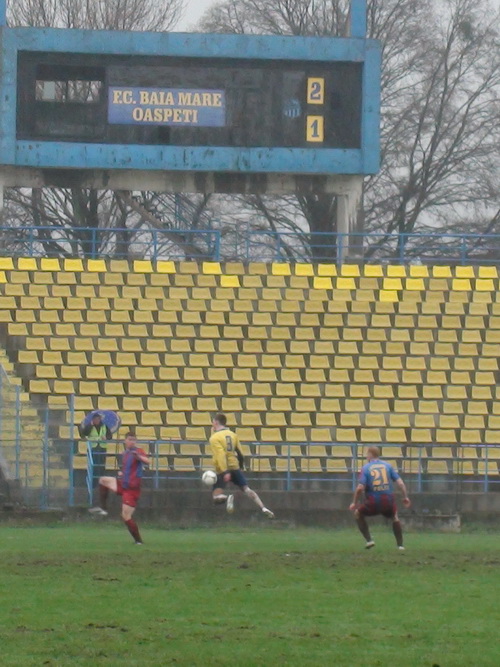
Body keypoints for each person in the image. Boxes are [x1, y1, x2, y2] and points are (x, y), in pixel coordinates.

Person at [209, 413, 274, 519]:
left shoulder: (214, 438)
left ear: (216, 422)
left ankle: (227, 498)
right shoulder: (233, 435)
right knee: (247, 489)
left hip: (223, 469)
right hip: (235, 467)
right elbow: (240, 453)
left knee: (216, 497)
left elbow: (220, 455)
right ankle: (263, 507)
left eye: (213, 422)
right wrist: (240, 466)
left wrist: (225, 472)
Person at [88, 432, 149, 545]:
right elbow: (127, 468)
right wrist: (121, 473)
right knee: (103, 480)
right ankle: (104, 509)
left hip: (132, 489)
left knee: (125, 516)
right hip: (123, 483)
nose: (132, 441)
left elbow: (147, 461)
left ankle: (138, 541)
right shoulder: (125, 453)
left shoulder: (138, 451)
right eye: (130, 439)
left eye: (134, 440)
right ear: (125, 440)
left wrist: (138, 457)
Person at [349, 446, 411, 551]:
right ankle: (400, 545)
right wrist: (405, 497)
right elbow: (400, 483)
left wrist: (354, 502)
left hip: (373, 501)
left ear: (370, 455)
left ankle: (369, 540)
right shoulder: (388, 466)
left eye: (366, 454)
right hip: (388, 500)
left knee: (357, 513)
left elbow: (360, 488)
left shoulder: (366, 468)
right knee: (394, 517)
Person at [79, 413, 112, 486]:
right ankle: (93, 483)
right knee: (93, 465)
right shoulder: (89, 426)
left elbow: (110, 436)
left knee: (101, 465)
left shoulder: (104, 426)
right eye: (95, 419)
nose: (96, 421)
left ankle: (101, 482)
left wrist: (106, 437)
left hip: (102, 447)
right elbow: (84, 433)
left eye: (98, 419)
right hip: (93, 448)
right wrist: (90, 425)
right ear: (93, 420)